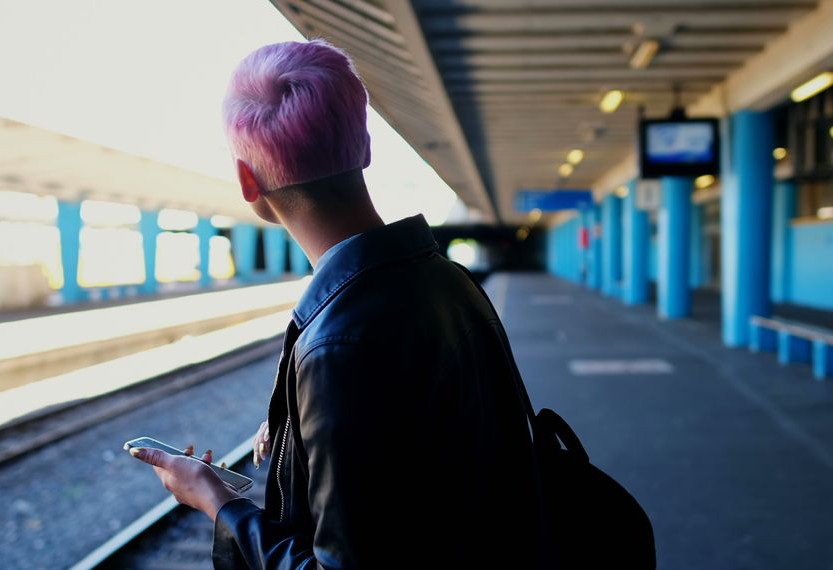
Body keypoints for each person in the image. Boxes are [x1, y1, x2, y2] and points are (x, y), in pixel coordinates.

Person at [129, 39, 549, 569]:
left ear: (247, 180)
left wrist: (217, 502)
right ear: (365, 146)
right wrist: (299, 438)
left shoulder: (336, 344)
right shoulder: (449, 280)